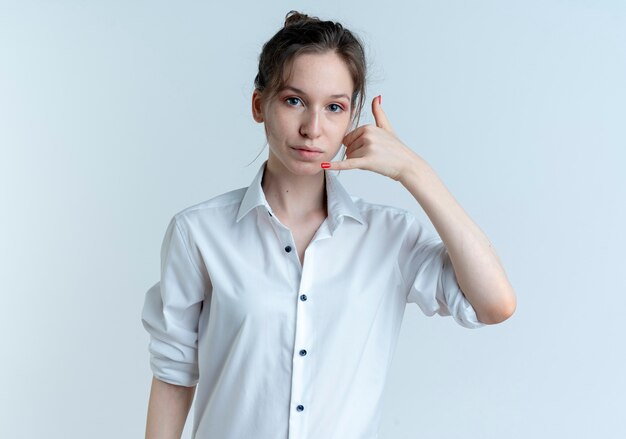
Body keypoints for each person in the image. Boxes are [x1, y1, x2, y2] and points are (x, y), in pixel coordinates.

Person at [141, 10, 516, 439]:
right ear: (259, 104)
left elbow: (495, 304)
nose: (312, 128)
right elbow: (173, 374)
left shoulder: (389, 236)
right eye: (294, 100)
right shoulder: (199, 234)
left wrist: (413, 171)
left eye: (334, 107)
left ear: (351, 119)